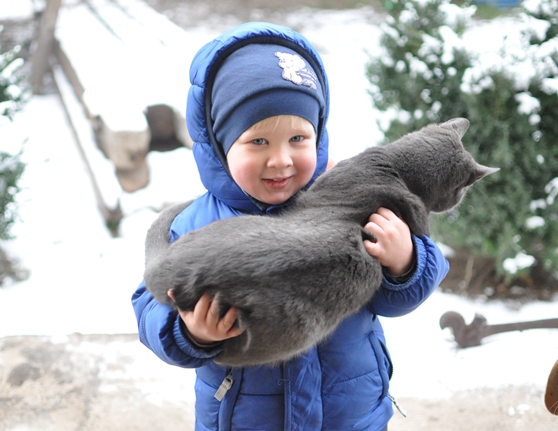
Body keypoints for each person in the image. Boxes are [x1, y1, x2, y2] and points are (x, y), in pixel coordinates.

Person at [132, 21, 449, 431]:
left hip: (350, 417)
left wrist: (405, 262)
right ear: (219, 143)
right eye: (258, 142)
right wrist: (190, 333)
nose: (281, 159)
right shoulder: (196, 226)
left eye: (298, 139)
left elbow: (397, 301)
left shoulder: (350, 203)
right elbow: (148, 307)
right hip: (245, 419)